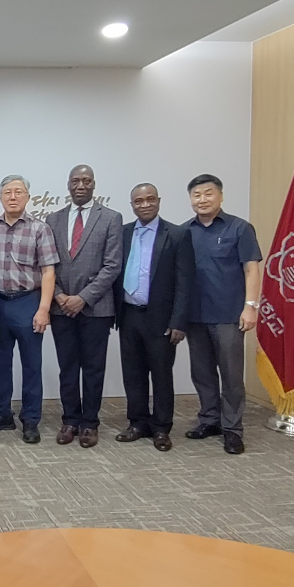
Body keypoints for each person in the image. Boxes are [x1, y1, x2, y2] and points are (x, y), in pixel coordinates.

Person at [112, 183, 195, 452]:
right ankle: (137, 423)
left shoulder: (178, 234)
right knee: (133, 374)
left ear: (158, 201)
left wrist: (179, 322)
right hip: (129, 315)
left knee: (161, 374)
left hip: (161, 319)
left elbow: (185, 281)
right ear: (132, 205)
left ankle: (161, 427)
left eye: (150, 199)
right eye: (138, 201)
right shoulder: (123, 233)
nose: (144, 204)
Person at [183, 174, 262, 455]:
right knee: (202, 373)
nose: (202, 200)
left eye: (208, 194)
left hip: (229, 314)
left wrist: (251, 306)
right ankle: (209, 420)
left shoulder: (239, 229)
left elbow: (251, 269)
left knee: (230, 374)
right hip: (195, 316)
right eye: (196, 195)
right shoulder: (185, 231)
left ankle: (233, 429)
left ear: (220, 196)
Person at [45, 164, 123, 449]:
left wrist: (83, 298)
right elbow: (48, 263)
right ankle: (70, 420)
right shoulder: (53, 219)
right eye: (75, 181)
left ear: (94, 185)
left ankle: (90, 423)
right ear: (68, 185)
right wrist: (61, 296)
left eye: (86, 181)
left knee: (93, 368)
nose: (81, 185)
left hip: (96, 308)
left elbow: (112, 265)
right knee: (67, 367)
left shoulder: (111, 218)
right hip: (61, 307)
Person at [0, 175, 58, 444]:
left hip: (28, 302)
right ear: (0, 197)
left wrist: (44, 308)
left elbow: (48, 271)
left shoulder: (40, 229)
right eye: (7, 192)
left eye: (18, 192)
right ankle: (1, 414)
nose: (12, 196)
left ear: (27, 197)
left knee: (31, 365)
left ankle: (30, 420)